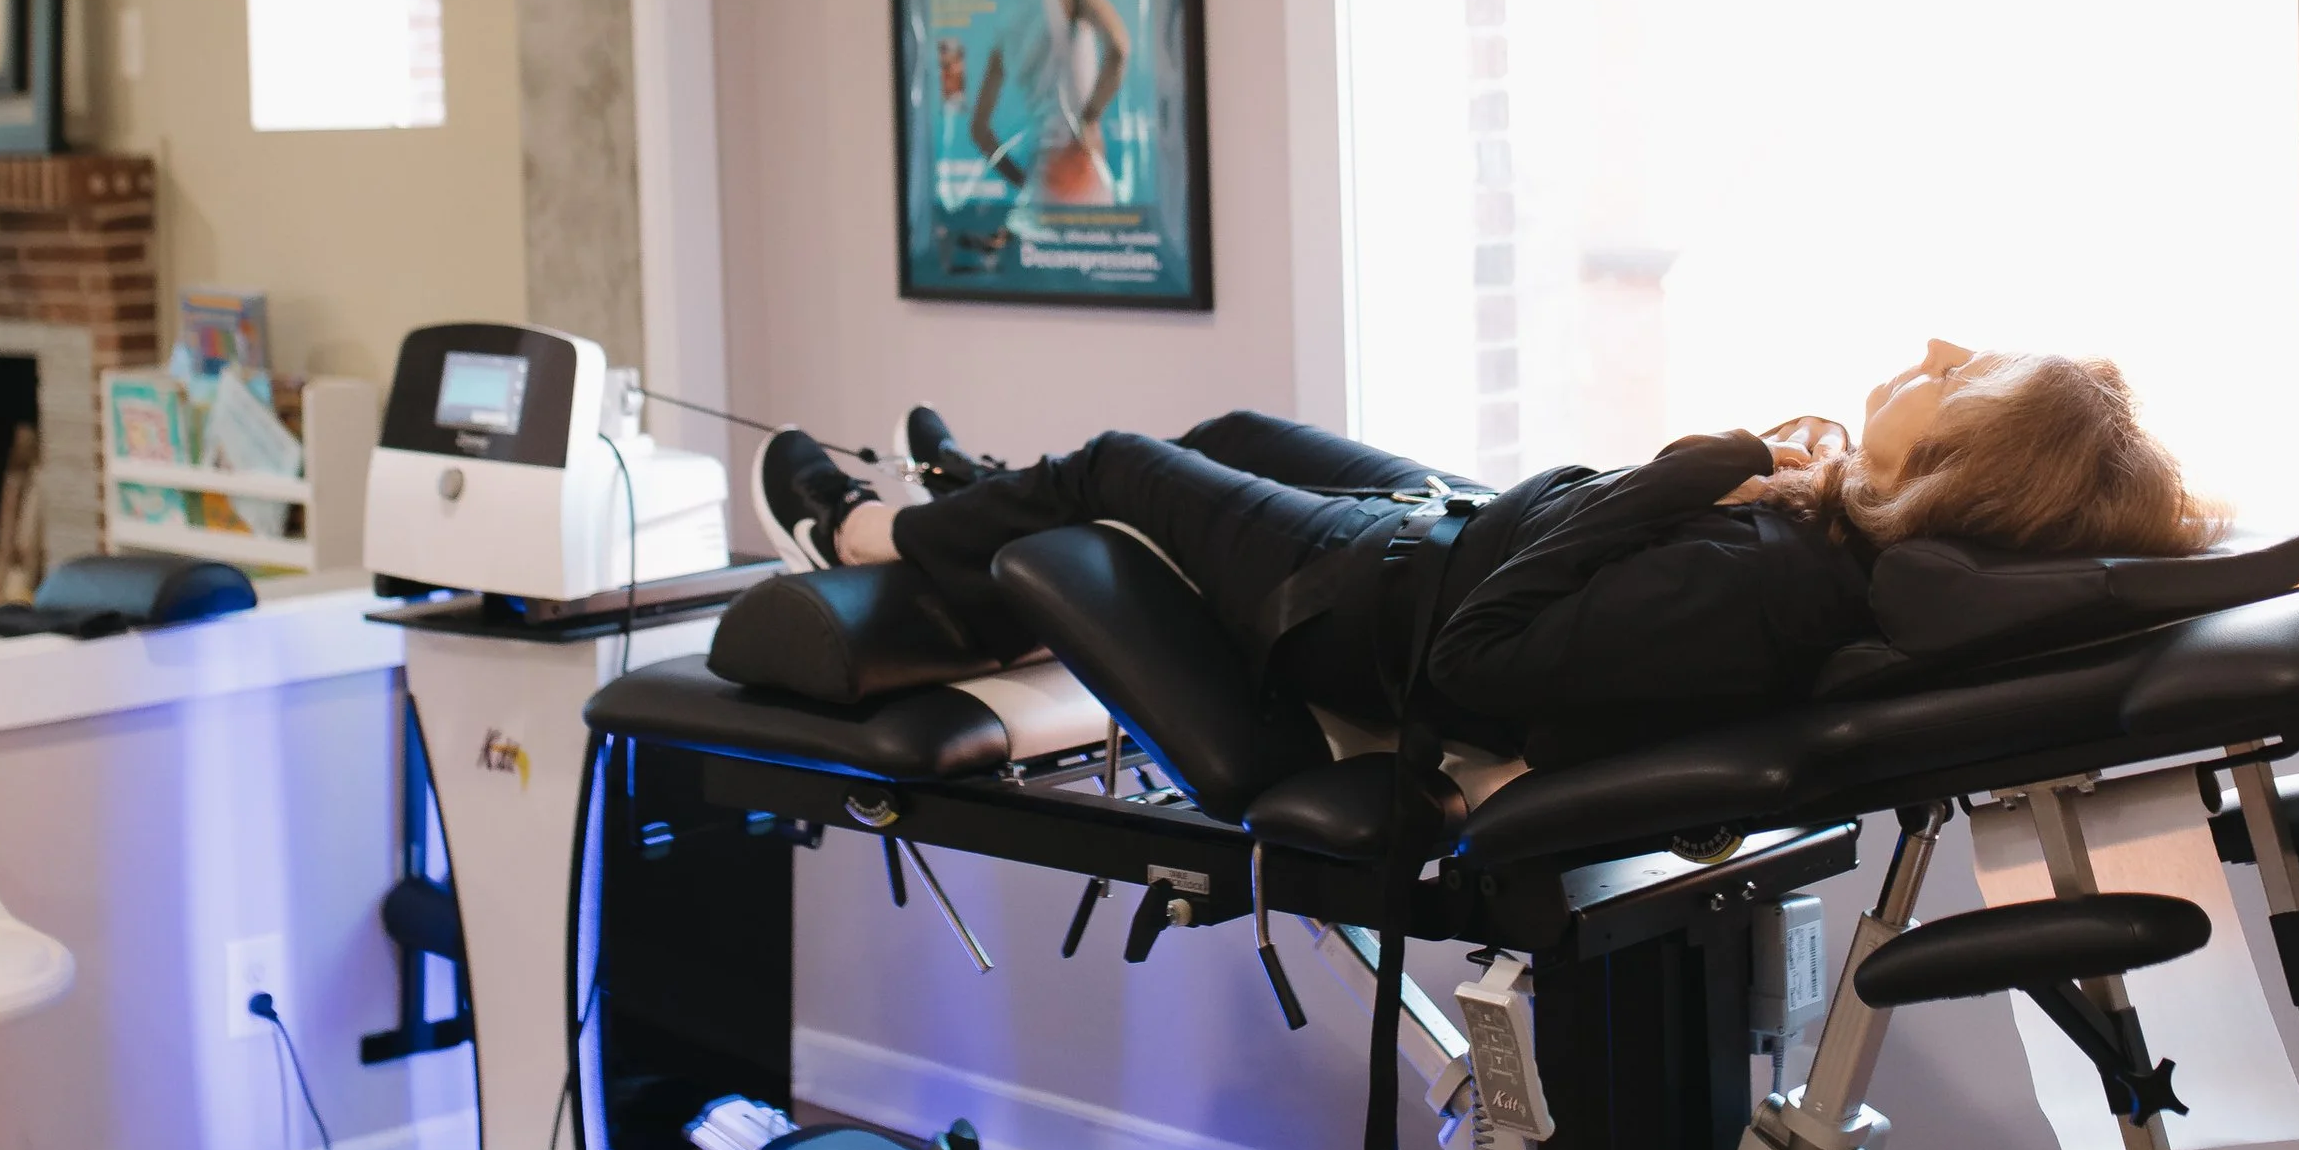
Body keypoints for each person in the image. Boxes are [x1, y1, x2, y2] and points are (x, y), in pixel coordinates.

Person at [758, 345, 2215, 775]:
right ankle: (982, 510)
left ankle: (861, 530)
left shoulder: (1766, 577)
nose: (1941, 349)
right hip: (1454, 534)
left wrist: (1682, 474)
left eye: (1956, 382)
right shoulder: (1823, 536)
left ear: (1947, 475)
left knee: (1129, 468)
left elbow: (1478, 665)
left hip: (1386, 617)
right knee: (1235, 425)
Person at [967, 0, 1129, 210]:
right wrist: (1089, 118)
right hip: (1084, 179)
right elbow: (1119, 48)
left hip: (1040, 193)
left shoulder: (1003, 28)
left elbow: (979, 130)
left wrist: (1024, 182)